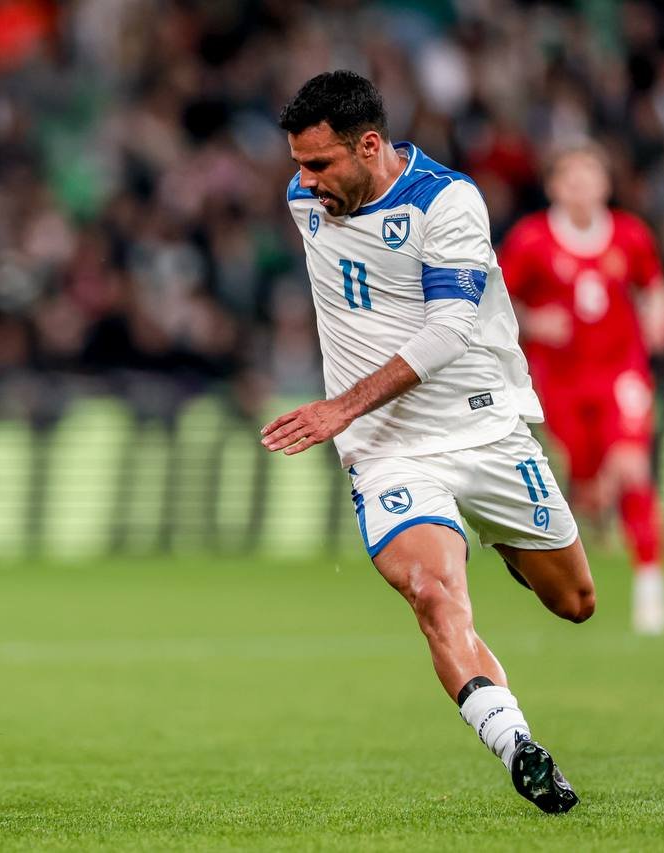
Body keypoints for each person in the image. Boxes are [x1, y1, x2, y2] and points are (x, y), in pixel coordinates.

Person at [262, 70, 593, 813]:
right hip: (388, 449)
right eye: (297, 164)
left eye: (319, 163)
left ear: (369, 145)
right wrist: (353, 421)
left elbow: (448, 330)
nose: (304, 181)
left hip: (484, 430)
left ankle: (502, 540)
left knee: (575, 602)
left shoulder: (447, 202)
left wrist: (339, 406)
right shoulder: (307, 200)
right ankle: (519, 747)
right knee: (432, 594)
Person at [499, 144, 664, 635]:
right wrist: (534, 322)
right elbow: (497, 301)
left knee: (632, 467)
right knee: (588, 483)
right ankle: (594, 512)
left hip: (622, 372)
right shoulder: (532, 240)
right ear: (554, 186)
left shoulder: (630, 234)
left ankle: (650, 586)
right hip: (561, 381)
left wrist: (659, 316)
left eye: (590, 177)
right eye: (571, 179)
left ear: (605, 184)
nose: (582, 188)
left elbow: (654, 287)